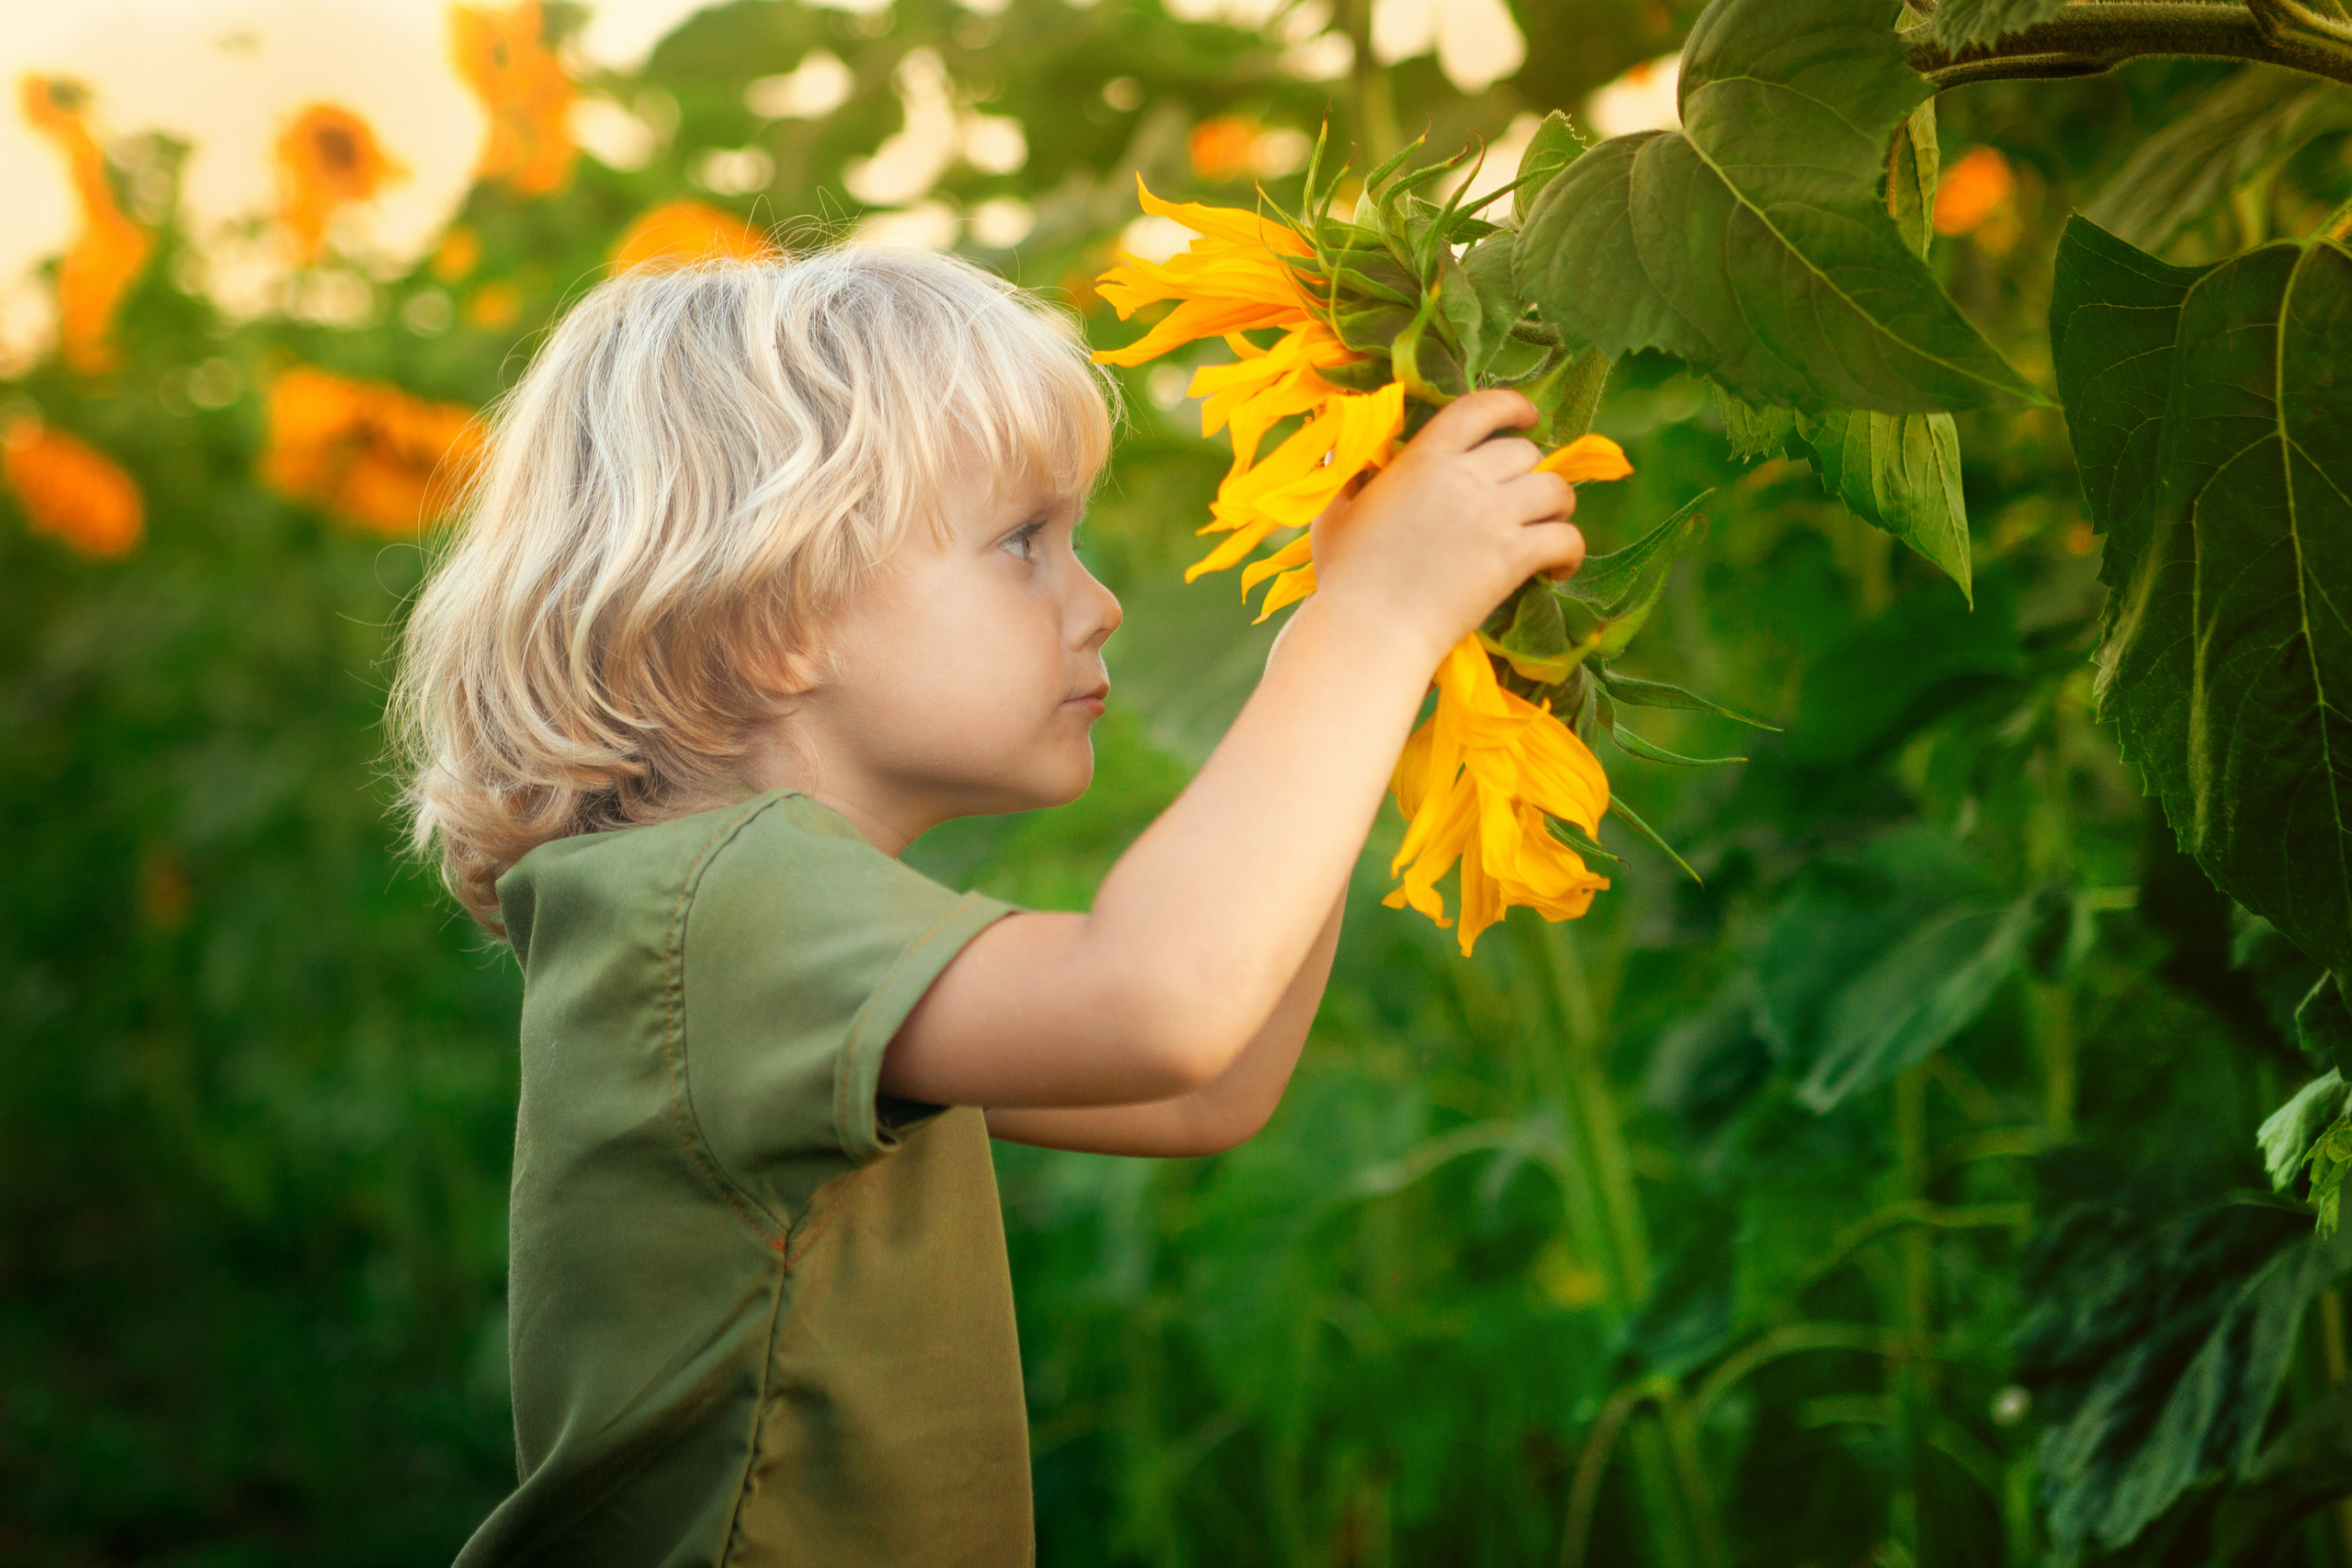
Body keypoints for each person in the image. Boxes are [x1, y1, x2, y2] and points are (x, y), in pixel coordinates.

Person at [390, 243, 1581, 1567]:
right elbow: (1161, 1009)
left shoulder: (746, 912)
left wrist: (1362, 679)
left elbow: (1204, 1087)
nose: (1098, 601)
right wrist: (1370, 628)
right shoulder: (723, 902)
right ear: (780, 612)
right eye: (1023, 543)